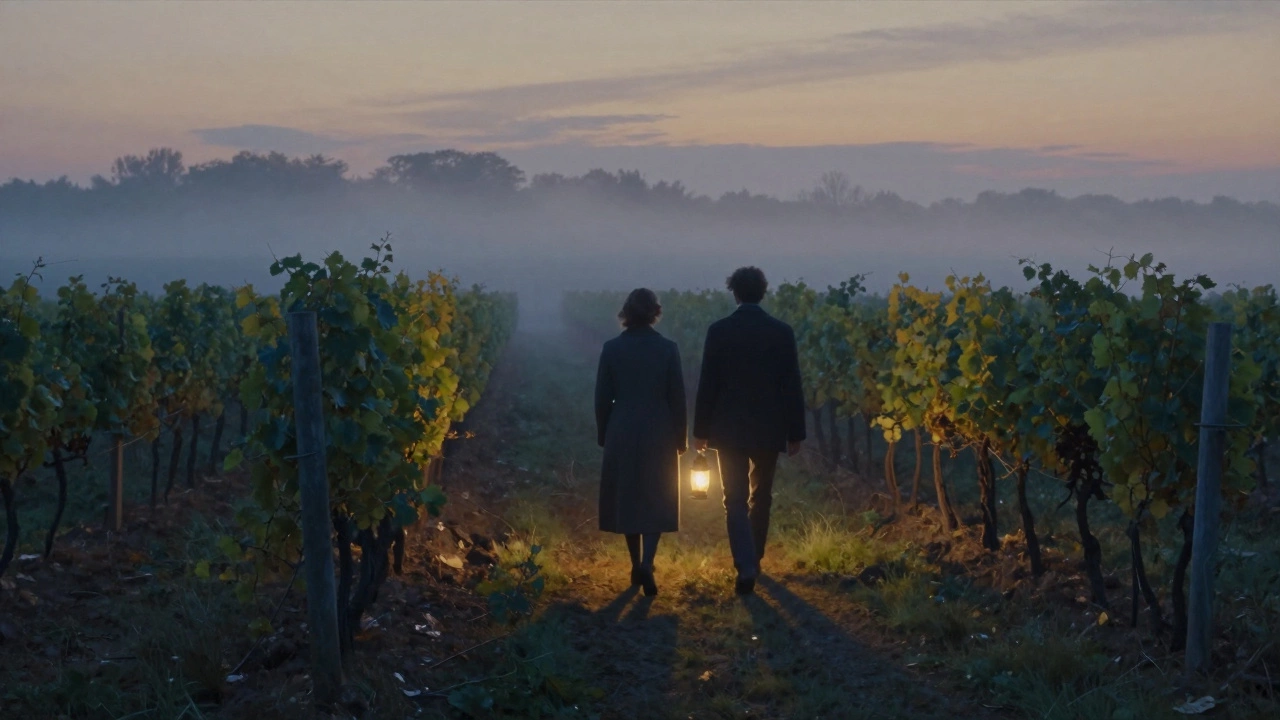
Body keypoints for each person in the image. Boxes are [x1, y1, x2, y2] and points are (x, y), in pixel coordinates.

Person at [692, 266, 805, 595]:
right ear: (763, 292)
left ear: (735, 293)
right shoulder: (781, 332)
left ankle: (745, 564)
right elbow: (791, 385)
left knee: (735, 499)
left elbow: (707, 385)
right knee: (762, 495)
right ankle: (755, 556)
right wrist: (795, 431)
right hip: (769, 429)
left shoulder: (719, 331)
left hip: (728, 430)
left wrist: (700, 430)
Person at [595, 288, 687, 596]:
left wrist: (603, 432)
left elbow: (601, 398)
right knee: (657, 494)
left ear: (626, 313)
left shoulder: (611, 349)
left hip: (622, 427)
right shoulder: (668, 349)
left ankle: (636, 561)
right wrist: (681, 437)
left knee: (628, 495)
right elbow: (677, 398)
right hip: (659, 429)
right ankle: (648, 561)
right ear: (654, 313)